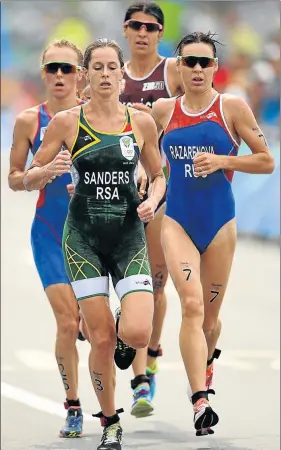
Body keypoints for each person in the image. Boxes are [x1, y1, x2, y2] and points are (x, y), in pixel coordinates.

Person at [23, 38, 166, 450]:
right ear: (86, 75)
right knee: (99, 340)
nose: (105, 75)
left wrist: (152, 201)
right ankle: (110, 421)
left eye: (112, 67)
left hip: (126, 236)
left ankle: (123, 326)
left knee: (138, 332)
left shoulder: (140, 122)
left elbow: (158, 176)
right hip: (82, 239)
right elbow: (29, 176)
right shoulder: (67, 123)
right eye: (97, 68)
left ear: (123, 74)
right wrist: (51, 168)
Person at [151, 31, 274, 435]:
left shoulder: (232, 108)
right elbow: (139, 155)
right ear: (179, 67)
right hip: (178, 221)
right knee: (190, 305)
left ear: (215, 68)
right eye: (190, 62)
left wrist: (223, 160)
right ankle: (199, 400)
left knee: (210, 320)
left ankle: (206, 362)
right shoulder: (164, 111)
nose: (198, 69)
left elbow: (266, 161)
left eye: (205, 62)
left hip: (220, 223)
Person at [8, 39, 87, 438]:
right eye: (52, 68)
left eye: (67, 69)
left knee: (99, 327)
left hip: (94, 235)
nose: (59, 75)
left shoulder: (99, 117)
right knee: (67, 319)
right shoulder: (28, 121)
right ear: (43, 73)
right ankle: (73, 404)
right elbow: (14, 180)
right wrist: (42, 173)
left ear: (81, 75)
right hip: (51, 232)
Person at [119, 1, 184, 418]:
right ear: (126, 30)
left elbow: (197, 108)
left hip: (162, 184)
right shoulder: (110, 73)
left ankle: (148, 366)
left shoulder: (174, 71)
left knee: (155, 282)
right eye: (136, 25)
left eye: (151, 27)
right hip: (116, 189)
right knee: (129, 279)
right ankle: (141, 371)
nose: (143, 32)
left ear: (160, 33)